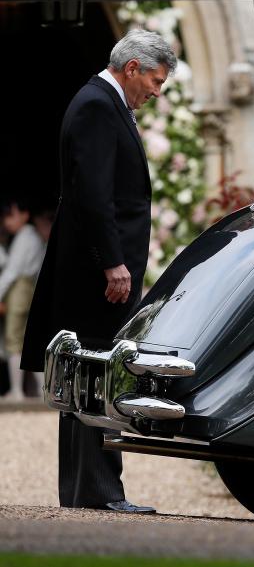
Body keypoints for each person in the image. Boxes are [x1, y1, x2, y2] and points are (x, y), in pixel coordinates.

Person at [21, 28, 176, 513]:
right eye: (154, 80)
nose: (157, 91)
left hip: (94, 267)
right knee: (98, 376)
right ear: (132, 68)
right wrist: (113, 263)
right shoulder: (96, 105)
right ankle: (100, 492)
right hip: (96, 273)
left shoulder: (104, 104)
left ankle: (86, 491)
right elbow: (92, 192)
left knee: (87, 377)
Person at [0, 199, 44, 401]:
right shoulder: (31, 236)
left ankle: (17, 391)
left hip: (20, 289)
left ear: (24, 214)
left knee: (14, 339)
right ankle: (39, 389)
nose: (7, 221)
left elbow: (11, 271)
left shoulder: (25, 237)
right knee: (26, 340)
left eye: (11, 215)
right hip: (26, 289)